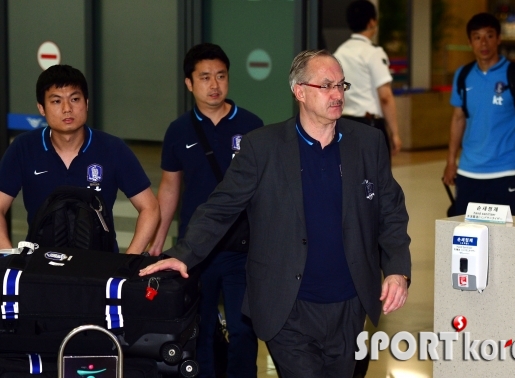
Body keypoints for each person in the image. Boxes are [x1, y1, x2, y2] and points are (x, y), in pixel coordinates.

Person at [141, 49, 411, 378]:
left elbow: (391, 210)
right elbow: (220, 206)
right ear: (299, 91)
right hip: (288, 307)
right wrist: (183, 254)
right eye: (326, 86)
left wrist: (397, 268)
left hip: (350, 305)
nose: (337, 94)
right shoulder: (263, 147)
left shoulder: (368, 143)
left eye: (342, 85)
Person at [148, 43, 262, 378]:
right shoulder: (178, 131)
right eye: (205, 77)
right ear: (189, 83)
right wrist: (158, 239)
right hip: (196, 251)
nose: (214, 85)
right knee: (202, 327)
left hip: (242, 248)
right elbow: (170, 187)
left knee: (244, 329)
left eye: (221, 76)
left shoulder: (253, 126)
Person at [0, 64, 159, 254]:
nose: (67, 109)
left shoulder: (113, 148)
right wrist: (7, 256)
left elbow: (150, 207)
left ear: (87, 103)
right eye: (56, 101)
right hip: (39, 266)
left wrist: (127, 262)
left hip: (99, 266)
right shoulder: (23, 147)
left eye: (75, 99)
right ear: (41, 108)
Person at [442, 13, 515, 216]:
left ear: (498, 38)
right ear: (470, 42)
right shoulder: (463, 76)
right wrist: (451, 162)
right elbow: (458, 118)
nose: (483, 42)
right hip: (469, 170)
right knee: (468, 236)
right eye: (477, 37)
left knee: (503, 237)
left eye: (489, 35)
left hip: (505, 170)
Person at [334, 0, 402, 157]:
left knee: (350, 175)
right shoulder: (373, 53)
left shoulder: (339, 53)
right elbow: (385, 96)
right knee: (375, 178)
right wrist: (395, 133)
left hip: (343, 124)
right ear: (372, 22)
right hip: (370, 125)